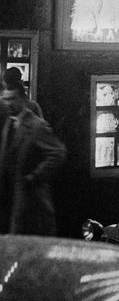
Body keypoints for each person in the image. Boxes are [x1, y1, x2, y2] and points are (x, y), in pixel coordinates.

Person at [0, 85, 66, 235]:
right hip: (11, 199)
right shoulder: (8, 124)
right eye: (6, 99)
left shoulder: (37, 126)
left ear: (23, 99)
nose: (8, 104)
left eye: (13, 99)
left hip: (31, 204)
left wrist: (34, 177)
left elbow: (58, 152)